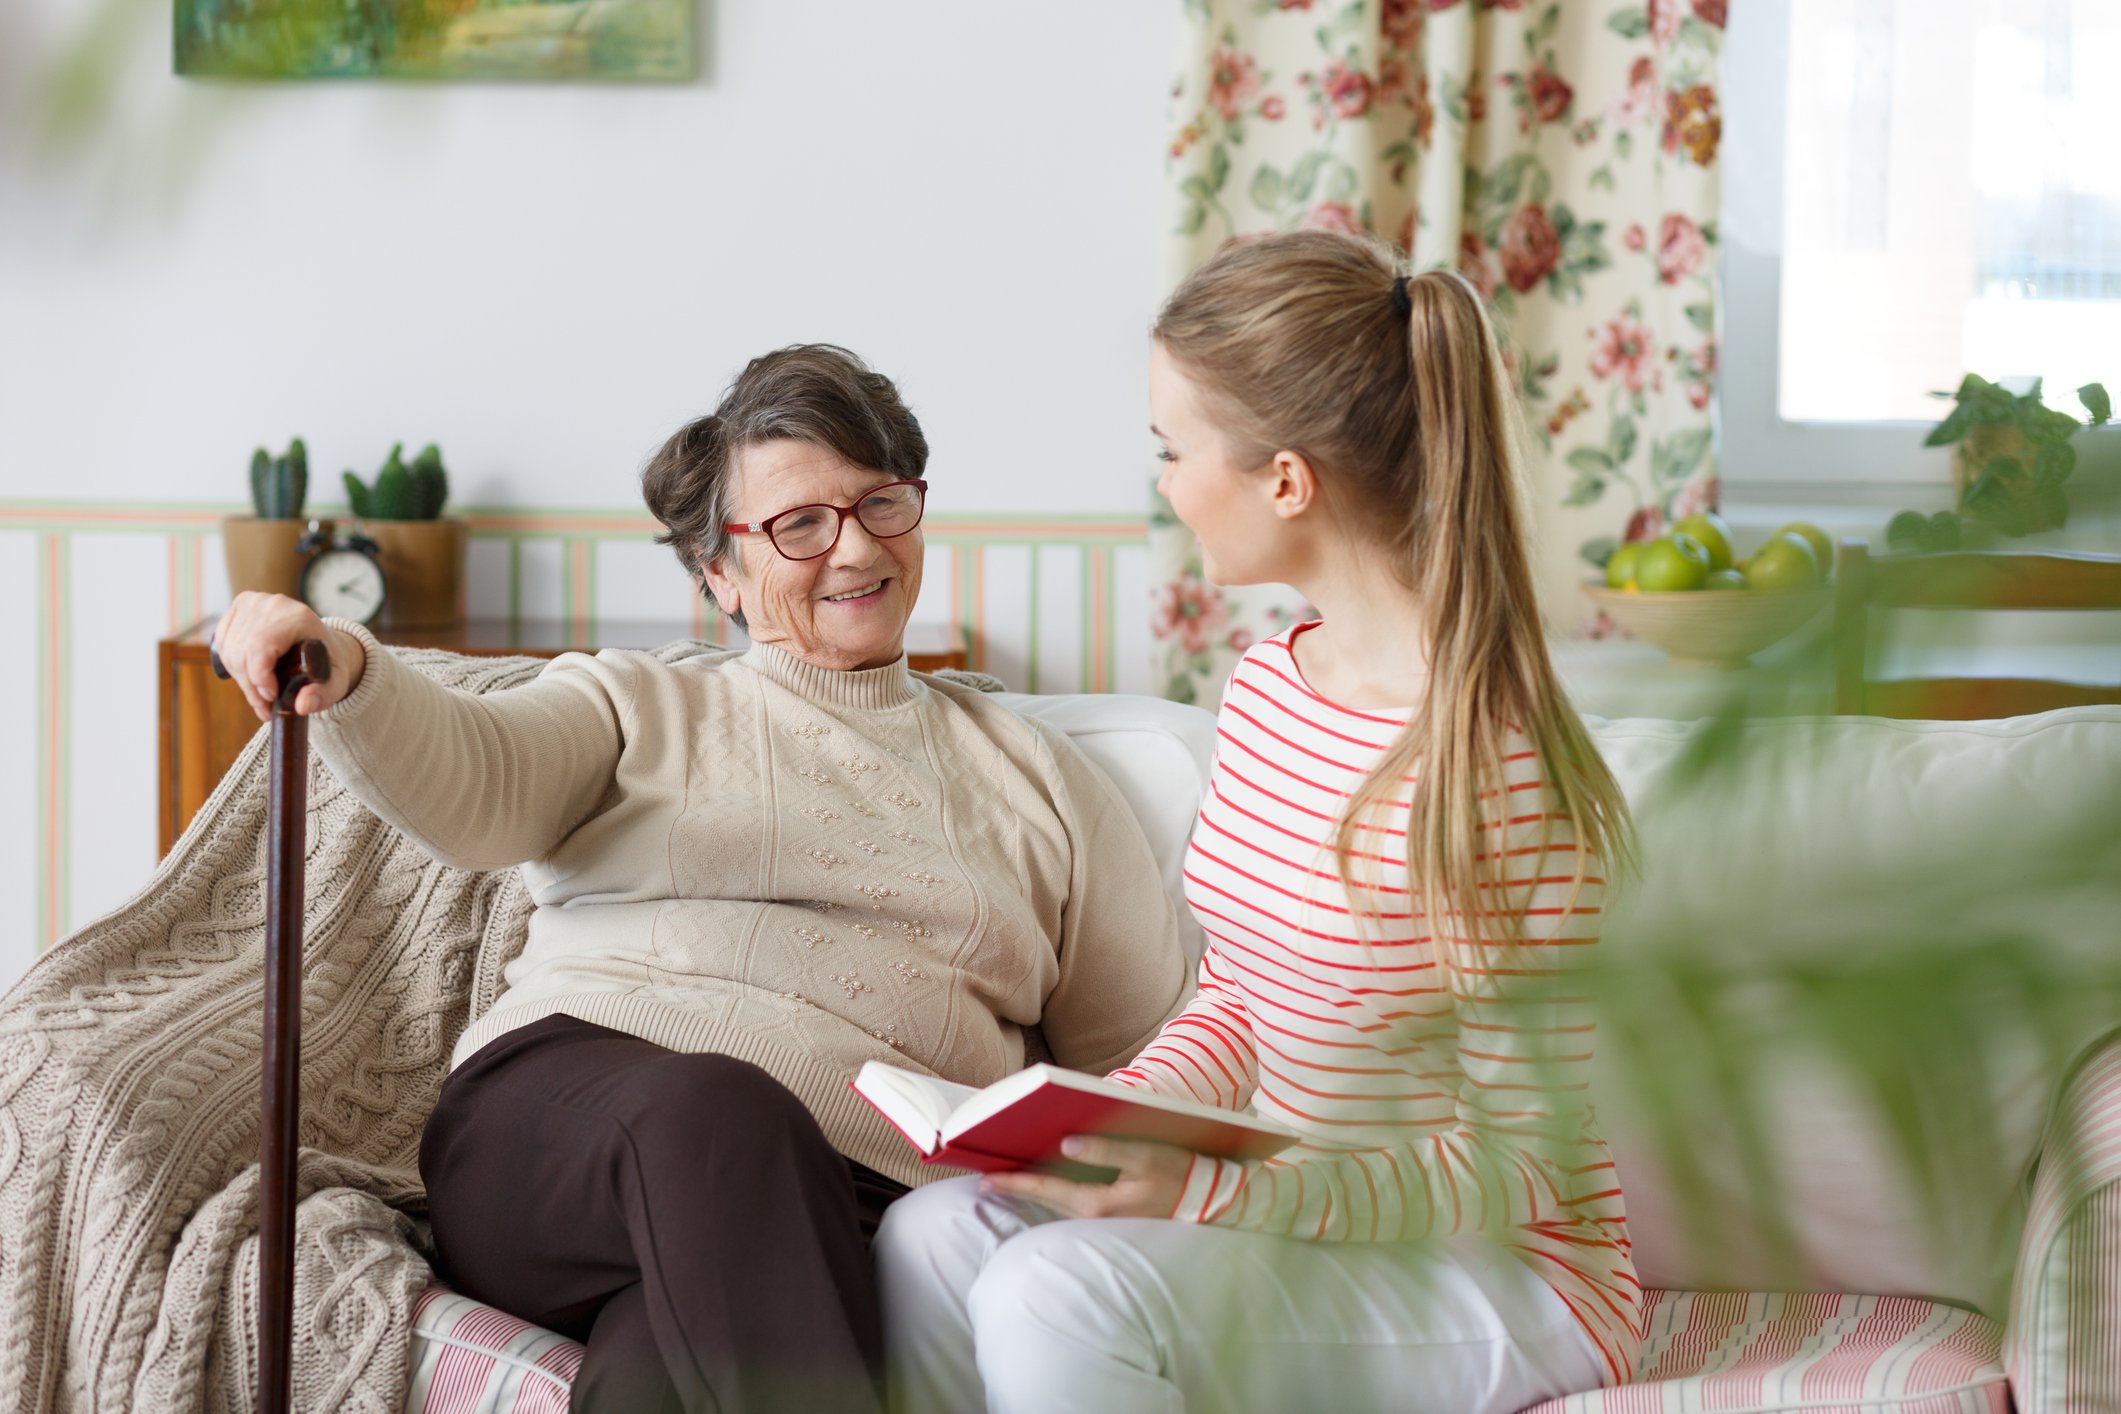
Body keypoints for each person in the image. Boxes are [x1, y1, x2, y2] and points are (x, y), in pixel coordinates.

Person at [209, 343, 1192, 1414]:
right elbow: (477, 778)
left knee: (656, 1372)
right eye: (798, 524)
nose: (854, 546)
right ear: (718, 570)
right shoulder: (641, 703)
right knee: (725, 1108)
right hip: (562, 1137)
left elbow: (1143, 1061)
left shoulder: (1040, 777)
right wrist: (347, 668)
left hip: (846, 1206)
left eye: (881, 504)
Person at [874, 234, 1641, 1414]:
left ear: (1286, 481)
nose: (1166, 482)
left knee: (1052, 1293)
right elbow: (1242, 991)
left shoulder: (1495, 771)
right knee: (933, 1233)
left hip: (1501, 1272)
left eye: (1175, 450)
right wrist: (1110, 1123)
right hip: (1307, 1220)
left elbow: (1517, 1156)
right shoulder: (1271, 686)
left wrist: (1215, 1196)